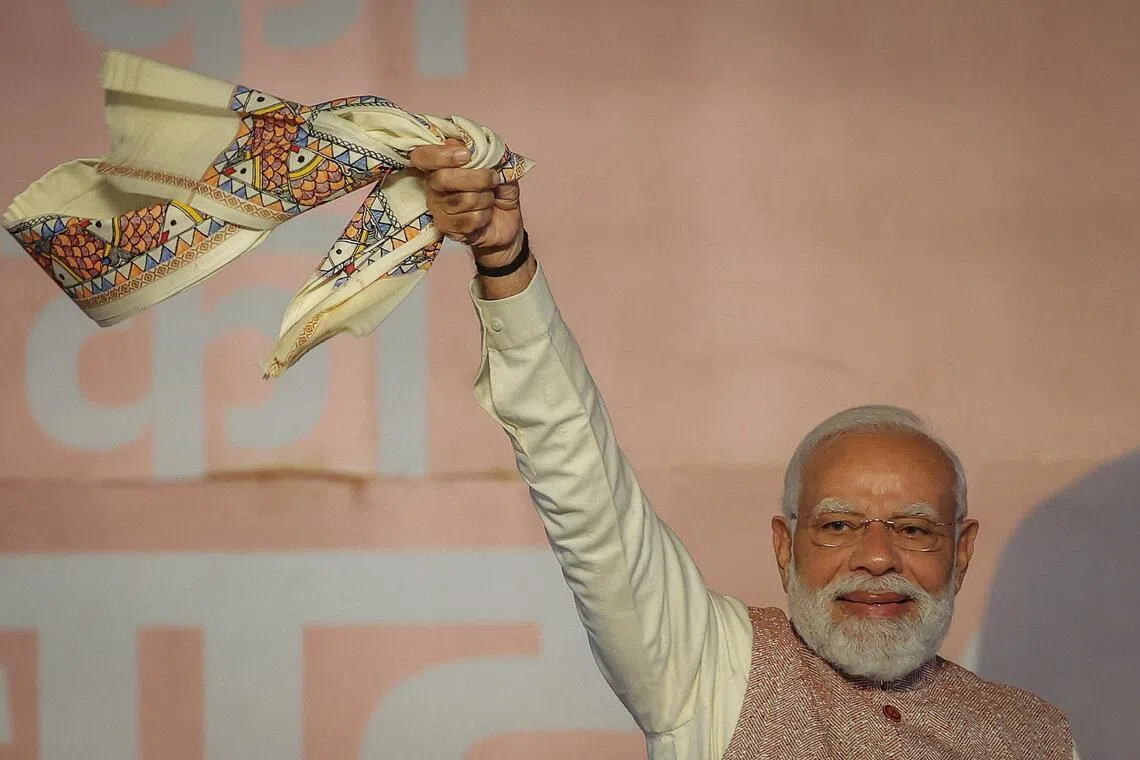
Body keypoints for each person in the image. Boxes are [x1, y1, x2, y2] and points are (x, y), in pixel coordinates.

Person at [408, 140, 1081, 759]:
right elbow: (586, 488)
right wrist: (505, 259)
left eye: (912, 528)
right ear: (785, 548)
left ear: (960, 553)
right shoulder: (711, 668)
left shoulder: (1038, 737)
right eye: (840, 525)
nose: (877, 558)